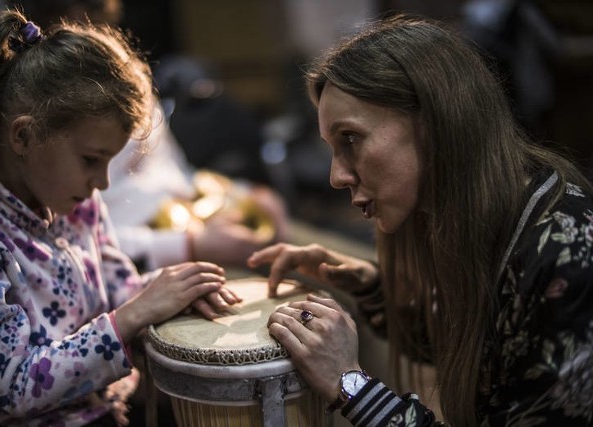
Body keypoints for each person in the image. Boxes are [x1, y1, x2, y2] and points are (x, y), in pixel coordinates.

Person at [247, 13, 593, 426]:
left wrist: (350, 384)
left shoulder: (566, 252)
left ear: (432, 122)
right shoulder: (489, 216)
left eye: (351, 139)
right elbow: (485, 355)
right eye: (332, 148)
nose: (336, 176)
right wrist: (373, 288)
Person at [0, 9, 240, 426]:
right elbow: (16, 385)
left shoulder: (76, 202)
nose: (101, 183)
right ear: (24, 135)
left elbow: (118, 291)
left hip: (102, 410)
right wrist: (134, 316)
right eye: (91, 160)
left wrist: (168, 292)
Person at [0, 0, 289, 272]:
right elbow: (70, 245)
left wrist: (242, 193)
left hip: (184, 223)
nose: (97, 43)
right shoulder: (22, 127)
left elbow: (173, 172)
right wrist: (187, 247)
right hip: (140, 253)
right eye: (90, 160)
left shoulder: (121, 82)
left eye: (98, 24)